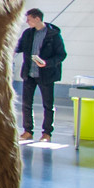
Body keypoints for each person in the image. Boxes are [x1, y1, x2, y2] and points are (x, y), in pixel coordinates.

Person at [15, 8, 67, 142]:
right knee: (26, 103)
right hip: (29, 74)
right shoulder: (27, 34)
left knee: (48, 105)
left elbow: (61, 55)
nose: (27, 22)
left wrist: (47, 63)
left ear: (37, 19)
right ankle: (27, 131)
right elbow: (18, 47)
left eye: (29, 19)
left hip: (46, 75)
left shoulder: (53, 35)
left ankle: (47, 133)